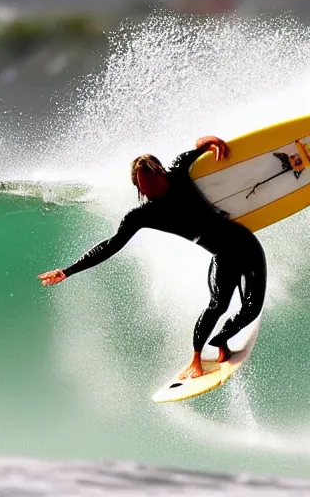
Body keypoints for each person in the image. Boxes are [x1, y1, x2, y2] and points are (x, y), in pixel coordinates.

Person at [37, 136, 267, 380]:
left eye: (153, 177)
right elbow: (110, 245)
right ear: (139, 187)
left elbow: (200, 145)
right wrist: (68, 271)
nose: (150, 187)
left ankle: (221, 339)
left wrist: (213, 142)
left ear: (161, 172)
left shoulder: (178, 171)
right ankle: (196, 358)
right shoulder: (142, 216)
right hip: (222, 256)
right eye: (143, 184)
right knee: (218, 305)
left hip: (246, 245)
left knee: (251, 310)